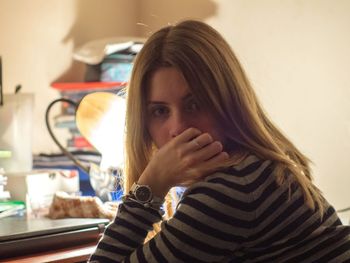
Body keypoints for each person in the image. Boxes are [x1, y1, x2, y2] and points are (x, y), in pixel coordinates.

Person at [89, 20, 350, 262]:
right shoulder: (258, 166)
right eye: (159, 111)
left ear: (228, 103)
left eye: (195, 104)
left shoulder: (230, 191)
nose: (178, 128)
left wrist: (150, 185)